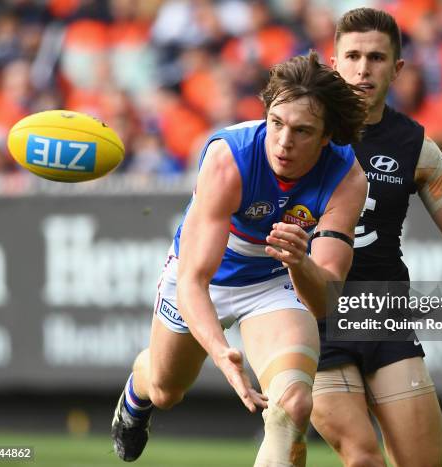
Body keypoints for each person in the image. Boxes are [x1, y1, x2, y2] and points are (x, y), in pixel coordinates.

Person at [111, 50, 368, 465]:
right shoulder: (228, 158)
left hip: (271, 279)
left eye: (302, 131)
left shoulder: (348, 178)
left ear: (326, 137)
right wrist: (221, 354)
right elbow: (194, 280)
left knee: (292, 406)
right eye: (277, 124)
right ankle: (136, 395)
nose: (283, 143)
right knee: (166, 391)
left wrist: (301, 262)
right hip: (206, 279)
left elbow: (325, 302)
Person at [310, 8, 442, 467]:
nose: (363, 68)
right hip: (312, 314)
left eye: (376, 57)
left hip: (381, 313)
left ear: (398, 69)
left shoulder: (416, 146)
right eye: (352, 56)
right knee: (363, 457)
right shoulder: (301, 132)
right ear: (334, 63)